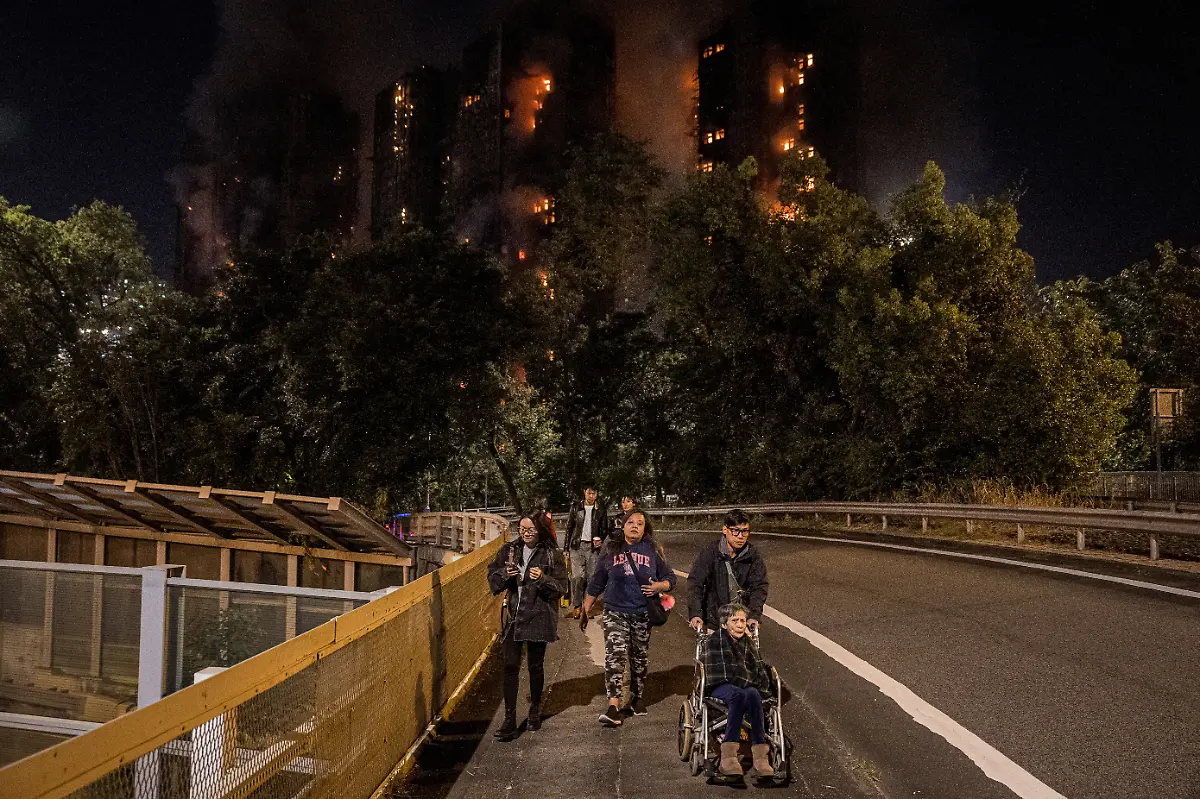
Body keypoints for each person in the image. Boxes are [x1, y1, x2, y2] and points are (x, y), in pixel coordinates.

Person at [580, 509, 676, 726]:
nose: (635, 526)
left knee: (638, 658)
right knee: (615, 656)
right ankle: (613, 705)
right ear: (622, 526)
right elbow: (597, 580)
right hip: (615, 611)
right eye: (630, 522)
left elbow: (670, 577)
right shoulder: (611, 549)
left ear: (645, 528)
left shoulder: (652, 549)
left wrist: (660, 585)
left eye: (640, 523)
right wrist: (586, 609)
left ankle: (636, 696)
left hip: (642, 612)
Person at [487, 512, 568, 739]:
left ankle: (534, 711)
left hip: (539, 615)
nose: (526, 533)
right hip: (514, 616)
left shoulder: (552, 554)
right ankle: (509, 718)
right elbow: (492, 578)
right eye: (522, 529)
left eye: (531, 529)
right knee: (510, 666)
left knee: (535, 666)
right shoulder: (509, 550)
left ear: (540, 530)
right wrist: (505, 573)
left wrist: (543, 579)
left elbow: (562, 589)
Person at [703, 603, 774, 779]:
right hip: (720, 685)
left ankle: (760, 755)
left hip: (744, 685)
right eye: (735, 620)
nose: (741, 624)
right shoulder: (714, 641)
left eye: (742, 620)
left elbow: (756, 669)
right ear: (724, 624)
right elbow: (714, 671)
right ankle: (728, 755)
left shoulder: (748, 643)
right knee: (737, 695)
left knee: (754, 694)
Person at [687, 509, 768, 634]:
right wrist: (696, 614)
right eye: (736, 531)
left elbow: (759, 587)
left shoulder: (753, 556)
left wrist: (754, 617)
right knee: (714, 651)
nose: (740, 536)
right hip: (716, 620)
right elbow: (695, 583)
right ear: (725, 530)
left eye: (745, 531)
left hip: (742, 621)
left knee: (746, 652)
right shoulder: (711, 552)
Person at [564, 484, 609, 619]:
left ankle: (586, 607)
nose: (591, 496)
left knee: (591, 578)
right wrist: (566, 548)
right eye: (589, 493)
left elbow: (604, 529)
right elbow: (569, 528)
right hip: (577, 547)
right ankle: (577, 606)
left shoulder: (601, 509)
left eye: (594, 494)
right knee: (578, 577)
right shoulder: (576, 507)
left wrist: (600, 539)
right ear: (584, 492)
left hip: (592, 548)